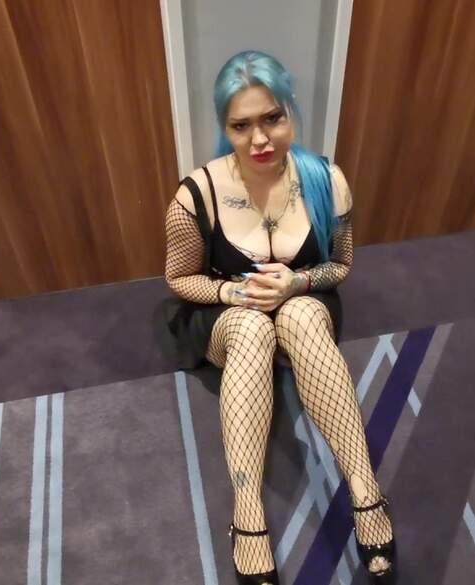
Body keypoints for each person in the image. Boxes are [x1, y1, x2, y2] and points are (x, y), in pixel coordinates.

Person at [155, 50, 396, 584]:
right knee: (252, 327)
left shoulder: (326, 180)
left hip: (305, 303)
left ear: (290, 111)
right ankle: (248, 513)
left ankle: (365, 491)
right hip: (226, 314)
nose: (260, 139)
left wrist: (297, 282)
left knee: (302, 315)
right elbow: (178, 278)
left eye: (272, 118)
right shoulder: (196, 194)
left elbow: (341, 265)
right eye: (241, 126)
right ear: (224, 128)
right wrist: (235, 293)